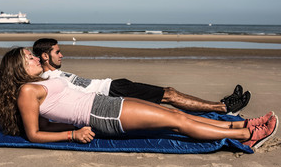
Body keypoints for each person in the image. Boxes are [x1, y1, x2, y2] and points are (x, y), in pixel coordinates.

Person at [0, 47, 278, 149]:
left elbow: (48, 116)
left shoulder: (41, 81)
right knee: (175, 123)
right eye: (29, 58)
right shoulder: (27, 91)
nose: (34, 59)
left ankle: (239, 127)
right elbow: (34, 133)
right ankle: (246, 136)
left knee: (176, 115)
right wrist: (72, 135)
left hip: (106, 105)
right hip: (100, 115)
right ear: (18, 68)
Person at [32, 38, 250, 115]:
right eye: (57, 52)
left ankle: (221, 105)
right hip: (111, 93)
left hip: (113, 84)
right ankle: (223, 108)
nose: (62, 54)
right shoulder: (47, 82)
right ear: (45, 56)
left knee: (168, 93)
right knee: (169, 95)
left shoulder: (57, 73)